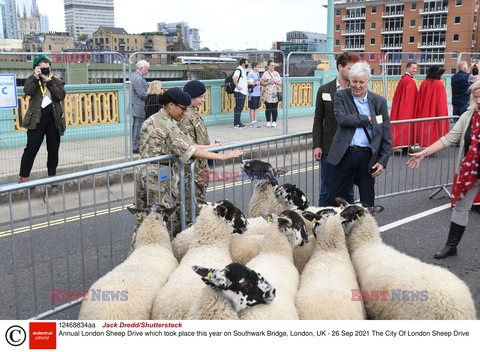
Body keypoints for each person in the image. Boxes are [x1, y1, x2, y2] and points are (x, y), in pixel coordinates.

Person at [136, 87, 242, 236]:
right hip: (158, 177)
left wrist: (209, 147)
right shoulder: (168, 126)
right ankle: (162, 253)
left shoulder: (151, 120)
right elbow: (192, 150)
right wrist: (224, 156)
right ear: (171, 105)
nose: (184, 112)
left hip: (142, 172)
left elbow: (184, 144)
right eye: (183, 109)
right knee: (161, 221)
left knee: (144, 220)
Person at [407, 79, 480, 259]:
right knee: (461, 207)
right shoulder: (468, 116)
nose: (479, 101)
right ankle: (451, 245)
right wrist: (424, 152)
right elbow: (449, 138)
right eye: (476, 97)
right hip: (471, 172)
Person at [326, 62, 392, 207]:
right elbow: (342, 119)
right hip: (344, 154)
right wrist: (367, 119)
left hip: (367, 155)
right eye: (354, 81)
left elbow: (386, 133)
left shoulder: (379, 102)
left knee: (367, 200)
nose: (357, 85)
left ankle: (365, 229)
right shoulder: (341, 96)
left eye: (361, 82)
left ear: (367, 81)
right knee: (335, 199)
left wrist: (382, 160)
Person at [312, 51, 355, 206]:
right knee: (327, 189)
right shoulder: (325, 90)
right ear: (340, 67)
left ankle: (348, 224)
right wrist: (317, 145)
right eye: (350, 68)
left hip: (351, 147)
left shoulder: (357, 90)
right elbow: (318, 119)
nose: (353, 72)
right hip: (329, 147)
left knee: (348, 190)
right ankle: (322, 224)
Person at [18, 54, 66, 183]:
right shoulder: (32, 80)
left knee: (53, 148)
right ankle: (23, 177)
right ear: (36, 68)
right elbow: (27, 91)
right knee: (31, 148)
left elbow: (61, 96)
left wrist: (49, 82)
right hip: (36, 119)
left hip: (53, 118)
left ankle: (52, 176)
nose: (45, 71)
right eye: (42, 68)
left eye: (47, 68)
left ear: (50, 68)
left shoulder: (56, 81)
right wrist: (35, 77)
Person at [179, 80, 220, 226]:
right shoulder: (185, 117)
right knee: (192, 209)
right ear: (191, 96)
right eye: (200, 97)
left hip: (199, 169)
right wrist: (209, 146)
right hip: (192, 171)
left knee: (198, 205)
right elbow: (188, 146)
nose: (203, 100)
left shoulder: (193, 114)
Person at [414, 65, 449, 148]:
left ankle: (425, 144)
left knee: (425, 127)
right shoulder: (439, 84)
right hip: (435, 110)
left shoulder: (424, 83)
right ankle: (433, 146)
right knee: (434, 127)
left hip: (424, 110)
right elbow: (441, 101)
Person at [390, 61, 418, 151]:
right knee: (406, 125)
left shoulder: (404, 79)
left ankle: (405, 145)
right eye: (413, 68)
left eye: (416, 68)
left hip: (402, 106)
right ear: (408, 68)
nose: (415, 70)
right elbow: (411, 97)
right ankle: (405, 144)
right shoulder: (409, 80)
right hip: (407, 107)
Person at [130, 60, 149, 153]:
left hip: (137, 106)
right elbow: (141, 93)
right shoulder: (138, 78)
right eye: (146, 69)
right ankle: (135, 147)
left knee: (136, 127)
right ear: (141, 68)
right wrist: (152, 96)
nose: (147, 71)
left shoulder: (136, 76)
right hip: (139, 106)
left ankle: (136, 145)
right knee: (137, 127)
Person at [261, 59, 282, 127]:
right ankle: (268, 121)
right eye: (271, 65)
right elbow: (262, 83)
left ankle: (274, 121)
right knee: (268, 108)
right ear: (268, 66)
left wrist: (276, 82)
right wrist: (268, 83)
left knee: (274, 108)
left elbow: (280, 83)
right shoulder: (265, 74)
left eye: (273, 65)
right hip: (267, 93)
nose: (273, 67)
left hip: (275, 93)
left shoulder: (276, 73)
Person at [232, 58, 248, 129]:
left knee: (240, 107)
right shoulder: (239, 70)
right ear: (243, 63)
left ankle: (238, 122)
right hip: (239, 92)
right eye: (246, 63)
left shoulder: (243, 70)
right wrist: (237, 86)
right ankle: (236, 123)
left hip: (243, 92)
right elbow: (234, 77)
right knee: (238, 108)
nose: (247, 64)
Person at [247, 62, 261, 128]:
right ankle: (252, 121)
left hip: (257, 92)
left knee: (256, 107)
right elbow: (249, 82)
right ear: (254, 67)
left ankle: (255, 120)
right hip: (252, 93)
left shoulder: (257, 73)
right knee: (252, 107)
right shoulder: (250, 74)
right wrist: (255, 83)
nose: (258, 68)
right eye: (257, 66)